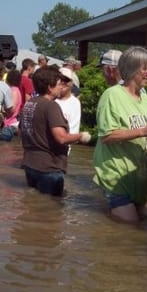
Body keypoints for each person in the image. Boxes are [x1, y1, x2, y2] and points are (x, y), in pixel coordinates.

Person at [93, 46, 147, 223]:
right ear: (131, 69)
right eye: (145, 69)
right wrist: (142, 131)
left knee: (139, 229)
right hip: (116, 175)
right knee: (129, 226)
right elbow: (107, 136)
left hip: (139, 177)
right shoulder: (111, 95)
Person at [20, 66, 91, 196]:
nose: (61, 87)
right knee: (53, 210)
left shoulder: (29, 104)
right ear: (50, 87)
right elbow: (61, 138)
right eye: (59, 84)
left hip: (30, 164)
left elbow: (21, 131)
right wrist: (81, 136)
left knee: (32, 206)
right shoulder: (51, 106)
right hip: (49, 168)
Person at [55, 67, 81, 135]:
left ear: (72, 83)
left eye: (66, 80)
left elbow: (73, 132)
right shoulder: (50, 98)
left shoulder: (75, 103)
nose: (62, 82)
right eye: (60, 79)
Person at [0, 69, 22, 141]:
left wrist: (1, 110)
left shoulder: (14, 91)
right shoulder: (15, 90)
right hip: (9, 125)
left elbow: (12, 109)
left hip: (9, 125)